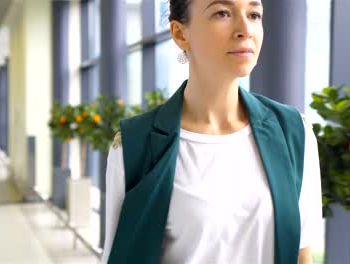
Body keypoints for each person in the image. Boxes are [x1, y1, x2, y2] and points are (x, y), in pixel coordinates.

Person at [102, 0, 322, 263]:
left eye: (254, 14)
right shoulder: (133, 146)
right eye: (222, 13)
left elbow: (301, 254)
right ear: (180, 33)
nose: (245, 29)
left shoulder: (294, 132)